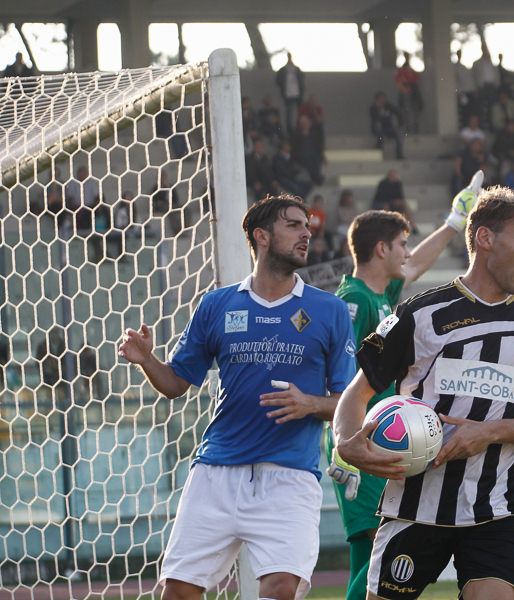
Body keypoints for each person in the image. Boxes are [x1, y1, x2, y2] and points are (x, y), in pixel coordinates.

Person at [333, 186, 514, 600]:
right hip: (413, 505)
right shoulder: (419, 314)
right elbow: (356, 393)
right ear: (485, 239)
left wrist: (489, 431)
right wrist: (345, 445)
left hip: (495, 507)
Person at [118, 195, 356, 600]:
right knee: (177, 591)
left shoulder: (330, 310)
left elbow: (350, 401)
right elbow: (176, 383)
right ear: (262, 236)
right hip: (215, 472)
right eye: (294, 225)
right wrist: (146, 360)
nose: (307, 232)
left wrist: (312, 404)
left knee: (281, 588)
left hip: (289, 477)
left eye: (306, 225)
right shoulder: (216, 304)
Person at [325, 173, 483, 600]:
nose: (407, 253)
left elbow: (416, 265)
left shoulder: (383, 291)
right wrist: (313, 407)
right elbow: (340, 382)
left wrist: (455, 219)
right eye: (401, 245)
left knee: (368, 548)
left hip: (383, 428)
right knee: (382, 539)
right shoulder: (352, 302)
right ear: (381, 249)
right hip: (361, 436)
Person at [275, 53, 305, 133]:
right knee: (289, 114)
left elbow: (302, 80)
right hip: (288, 95)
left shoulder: (296, 70)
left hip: (297, 95)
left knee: (298, 113)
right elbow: (278, 81)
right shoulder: (283, 70)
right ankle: (290, 130)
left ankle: (298, 128)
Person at [370, 91, 404, 159]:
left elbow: (399, 113)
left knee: (400, 134)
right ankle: (379, 144)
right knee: (378, 126)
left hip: (388, 128)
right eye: (380, 99)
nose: (382, 100)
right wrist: (378, 108)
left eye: (383, 98)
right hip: (378, 129)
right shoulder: (373, 108)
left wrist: (399, 126)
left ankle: (399, 154)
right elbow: (375, 118)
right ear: (376, 99)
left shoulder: (388, 106)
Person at [395, 52, 423, 133]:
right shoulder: (401, 70)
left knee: (414, 112)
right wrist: (404, 90)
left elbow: (416, 80)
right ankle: (408, 129)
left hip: (413, 94)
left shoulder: (411, 70)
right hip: (406, 93)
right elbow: (398, 80)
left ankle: (414, 129)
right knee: (406, 111)